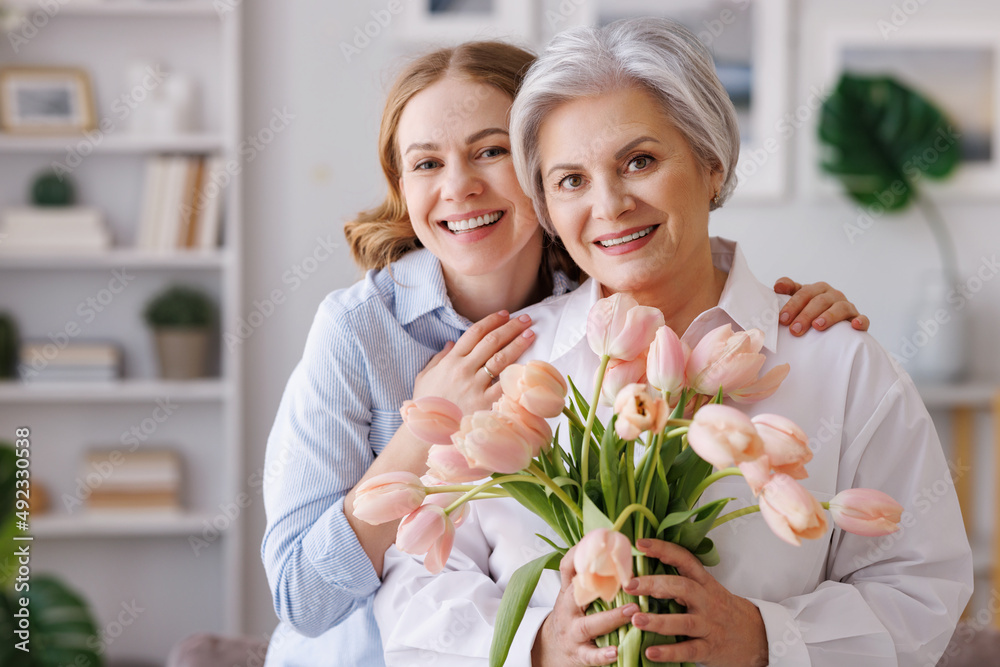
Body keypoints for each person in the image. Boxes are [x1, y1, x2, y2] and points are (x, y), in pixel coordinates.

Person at [372, 20, 973, 667]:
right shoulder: (513, 360)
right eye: (570, 179)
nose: (609, 204)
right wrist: (537, 643)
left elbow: (922, 588)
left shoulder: (838, 360)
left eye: (640, 161)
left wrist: (765, 638)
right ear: (545, 201)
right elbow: (412, 590)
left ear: (711, 164)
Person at [261, 40, 870, 667]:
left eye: (490, 151)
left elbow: (675, 263)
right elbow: (303, 596)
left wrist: (777, 313)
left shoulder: (599, 308)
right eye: (425, 164)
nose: (459, 187)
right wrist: (423, 430)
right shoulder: (357, 329)